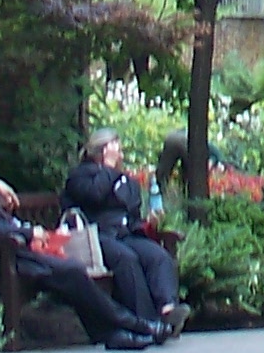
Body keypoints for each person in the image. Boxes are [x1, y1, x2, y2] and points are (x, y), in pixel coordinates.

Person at [0, 136, 151, 350]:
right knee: (72, 271)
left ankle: (114, 333)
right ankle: (131, 324)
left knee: (71, 272)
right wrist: (29, 232)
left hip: (6, 254)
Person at [62, 128, 185, 340]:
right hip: (96, 235)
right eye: (116, 149)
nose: (121, 155)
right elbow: (94, 196)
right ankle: (146, 323)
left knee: (158, 256)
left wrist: (149, 223)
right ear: (101, 151)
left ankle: (167, 310)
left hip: (125, 235)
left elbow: (133, 215)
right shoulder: (80, 176)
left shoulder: (127, 180)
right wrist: (108, 168)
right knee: (126, 259)